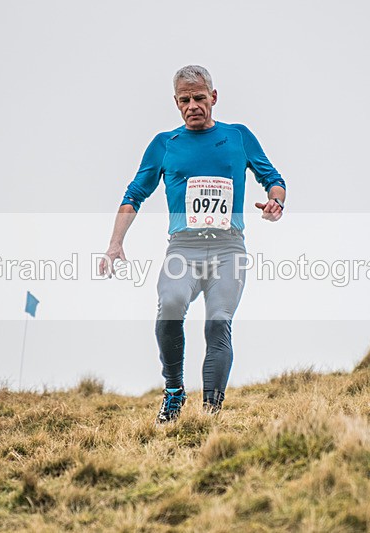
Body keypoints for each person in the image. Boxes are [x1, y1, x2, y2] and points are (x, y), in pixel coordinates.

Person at [99, 65, 286, 422]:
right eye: (185, 100)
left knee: (218, 322)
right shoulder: (164, 144)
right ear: (176, 102)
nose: (193, 105)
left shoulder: (238, 136)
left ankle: (209, 413)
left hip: (229, 248)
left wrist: (276, 201)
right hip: (183, 249)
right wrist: (114, 243)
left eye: (199, 98)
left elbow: (272, 178)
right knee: (169, 305)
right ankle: (173, 392)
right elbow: (134, 194)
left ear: (213, 98)